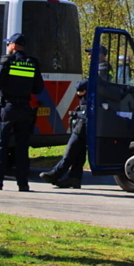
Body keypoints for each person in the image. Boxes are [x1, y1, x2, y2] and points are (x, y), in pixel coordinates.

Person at [38, 45, 110, 189]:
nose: (89, 57)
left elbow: (83, 84)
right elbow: (82, 88)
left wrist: (81, 88)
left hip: (89, 114)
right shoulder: (98, 69)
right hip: (86, 112)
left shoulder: (102, 69)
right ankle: (74, 178)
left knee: (73, 145)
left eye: (92, 54)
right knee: (79, 149)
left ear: (101, 55)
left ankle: (56, 173)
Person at [0, 33, 44, 192]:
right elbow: (38, 88)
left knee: (1, 145)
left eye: (8, 44)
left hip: (8, 108)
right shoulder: (32, 63)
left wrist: (2, 65)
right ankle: (23, 183)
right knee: (22, 147)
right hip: (25, 108)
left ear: (13, 45)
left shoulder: (7, 61)